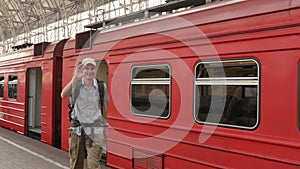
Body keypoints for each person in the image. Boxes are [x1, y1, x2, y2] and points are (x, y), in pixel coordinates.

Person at [61, 58, 109, 169]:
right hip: (77, 130)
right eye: (86, 68)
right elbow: (63, 95)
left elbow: (104, 108)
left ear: (95, 70)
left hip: (95, 130)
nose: (89, 71)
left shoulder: (101, 86)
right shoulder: (76, 85)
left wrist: (105, 127)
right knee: (76, 164)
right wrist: (75, 77)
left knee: (93, 164)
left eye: (92, 68)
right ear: (82, 70)